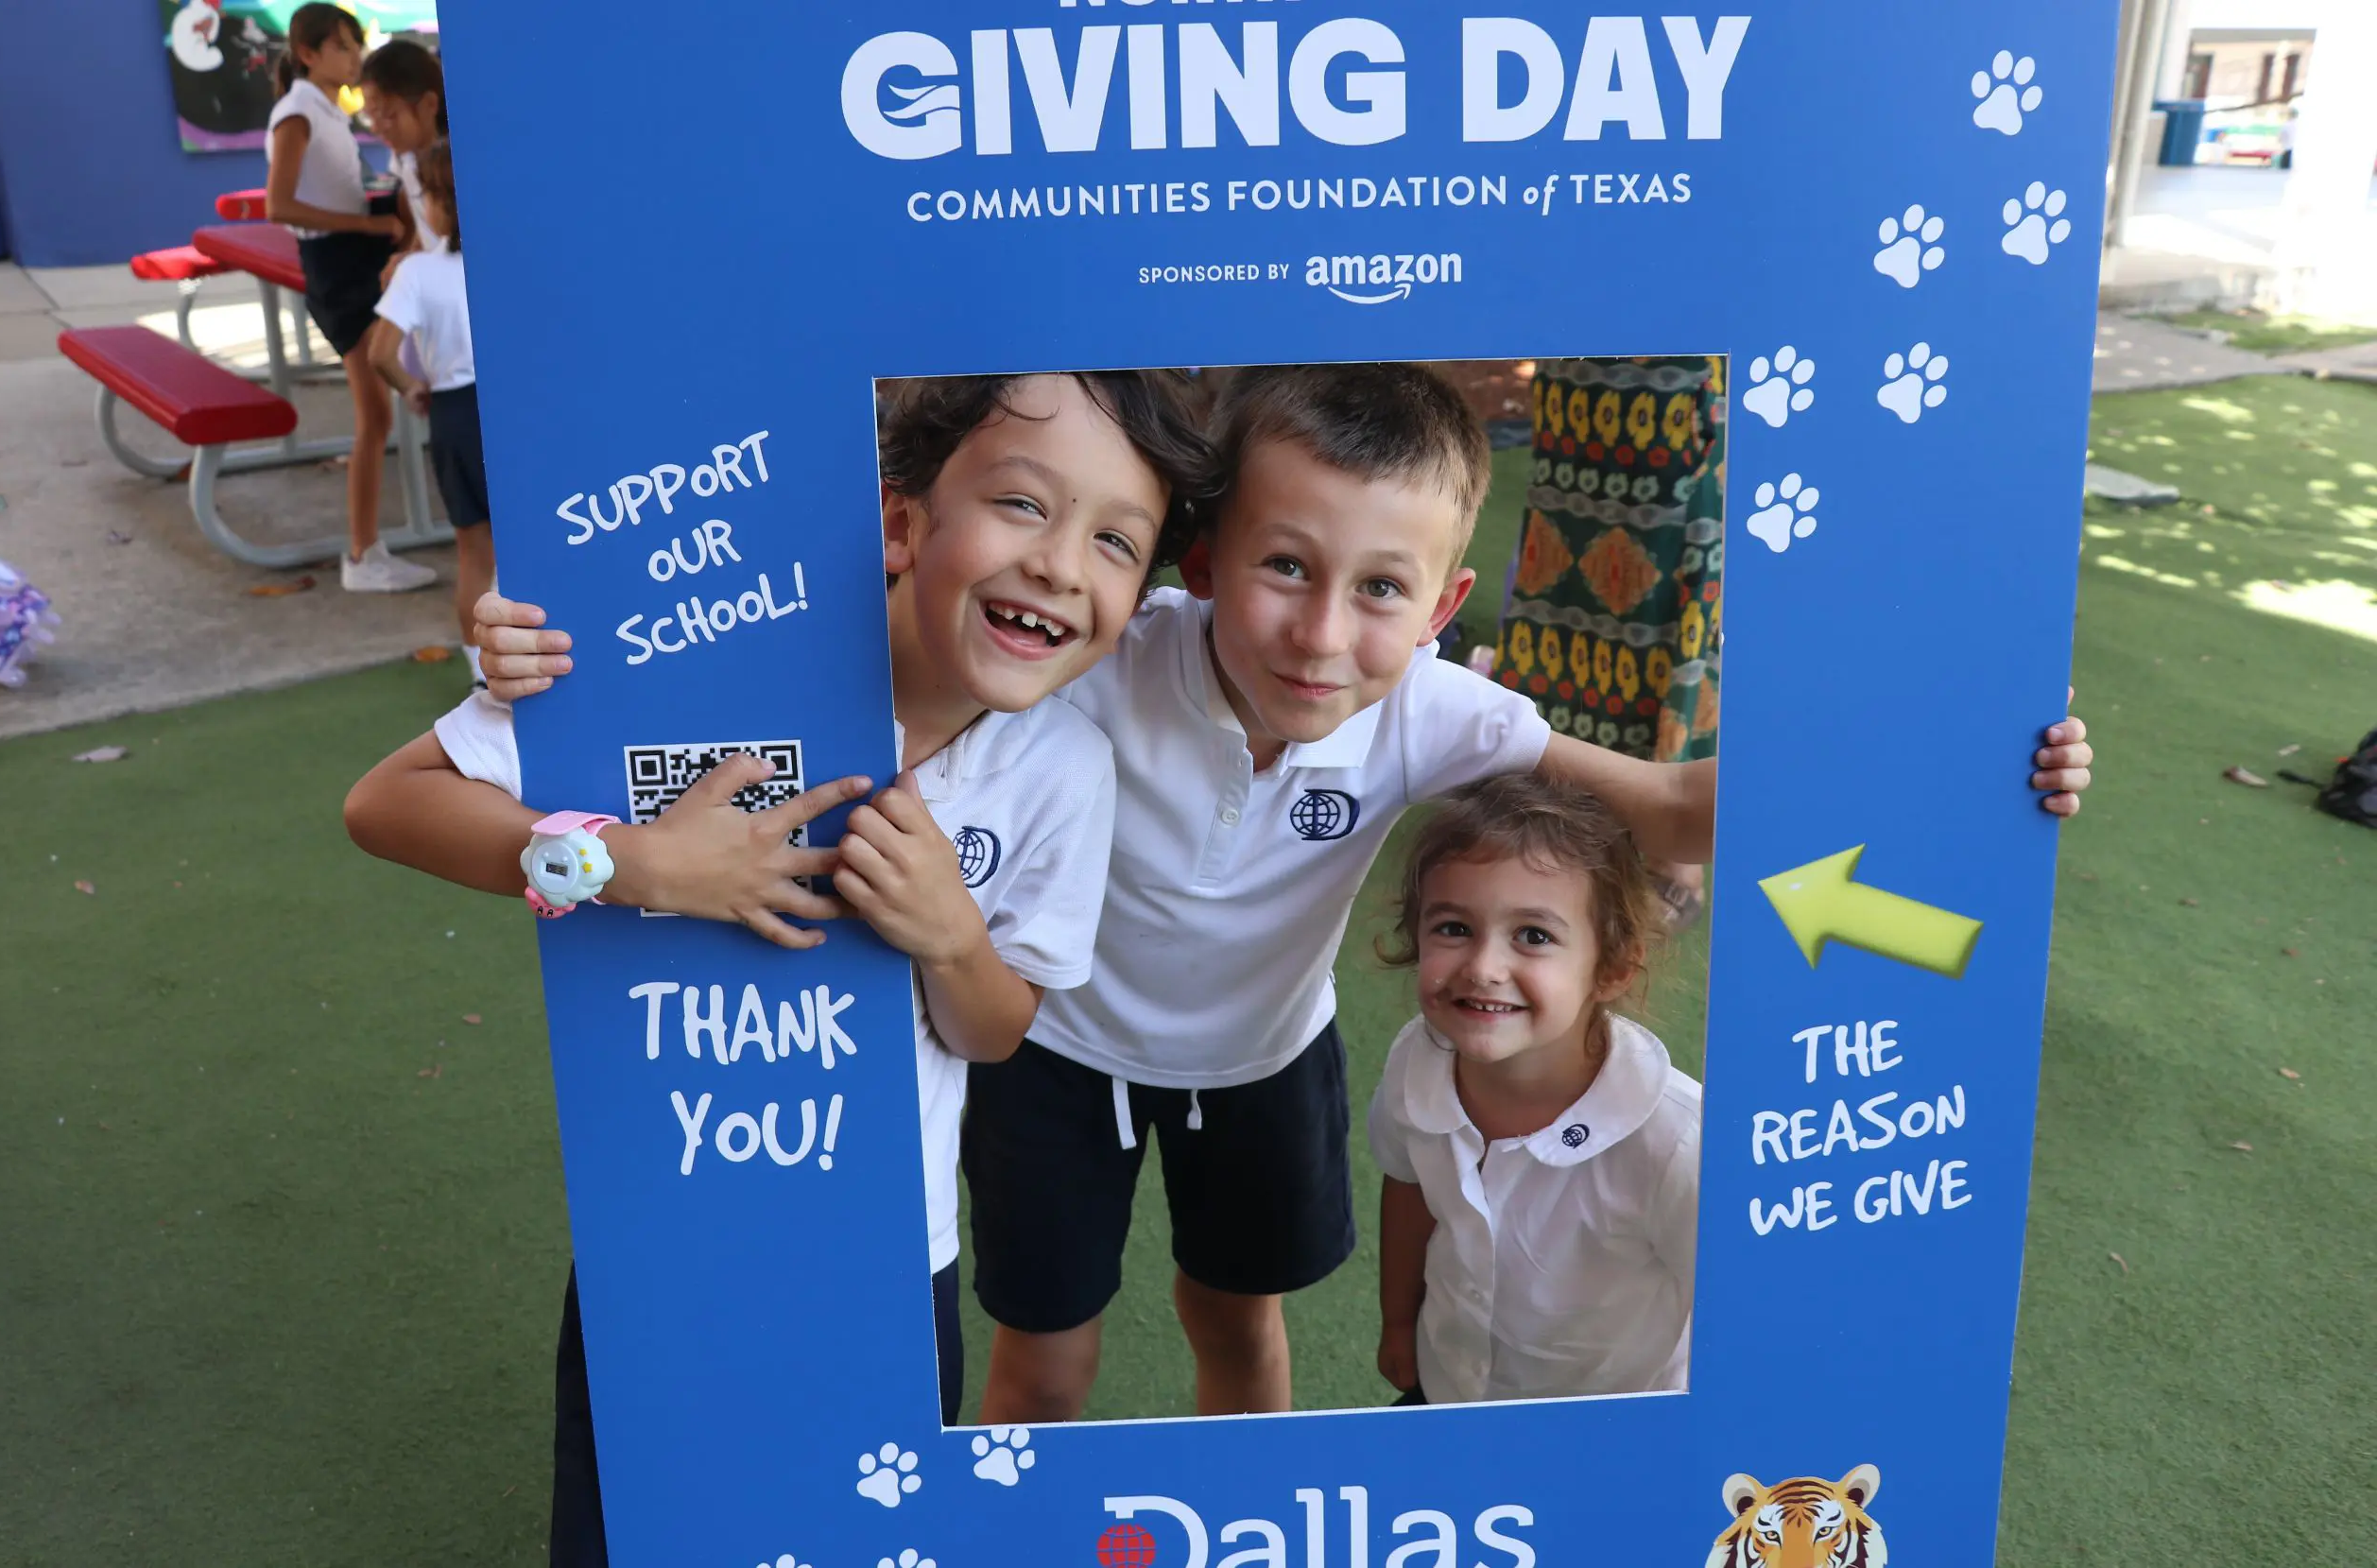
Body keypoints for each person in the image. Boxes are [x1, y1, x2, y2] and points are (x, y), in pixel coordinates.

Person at [474, 363, 2094, 1424]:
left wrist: (1965, 772)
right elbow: (890, 571)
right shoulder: (1104, 648)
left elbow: (1675, 810)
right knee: (1043, 1344)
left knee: (1243, 1336)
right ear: (1194, 562)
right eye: (1283, 565)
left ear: (1443, 603)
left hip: (1262, 1064)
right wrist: (553, 636)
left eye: (1383, 589)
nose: (1324, 632)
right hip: (1051, 1057)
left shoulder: (1435, 706)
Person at [345, 369, 1214, 1565]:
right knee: (628, 1529)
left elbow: (996, 1031)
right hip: (664, 1232)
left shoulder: (1059, 769)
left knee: (858, 1531)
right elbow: (389, 804)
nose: (1063, 563)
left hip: (888, 1257)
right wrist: (638, 867)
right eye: (1023, 504)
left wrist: (949, 934)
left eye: (1116, 540)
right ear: (902, 521)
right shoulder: (702, 674)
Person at [1370, 773, 1695, 1406]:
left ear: (1612, 968)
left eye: (1534, 935)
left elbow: (1739, 1319)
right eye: (1453, 928)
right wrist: (1399, 1322)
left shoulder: (1678, 1140)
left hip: (1608, 1445)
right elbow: (1408, 1181)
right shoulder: (1419, 1058)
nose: (1484, 967)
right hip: (1448, 1393)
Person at [1497, 356, 1728, 927]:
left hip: (1672, 376)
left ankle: (1676, 861)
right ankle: (1557, 817)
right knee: (1560, 576)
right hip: (1580, 377)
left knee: (1668, 590)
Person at [265, 3, 435, 594]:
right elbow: (279, 206)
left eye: (356, 45)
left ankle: (368, 551)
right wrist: (370, 228)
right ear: (308, 53)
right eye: (341, 46)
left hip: (357, 262)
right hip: (339, 269)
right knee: (375, 416)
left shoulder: (331, 111)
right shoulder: (297, 113)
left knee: (380, 413)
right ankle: (363, 554)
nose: (353, 57)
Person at [368, 141, 493, 680]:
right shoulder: (513, 261)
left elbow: (380, 353)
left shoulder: (417, 271)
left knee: (475, 553)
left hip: (455, 413)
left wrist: (413, 388)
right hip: (513, 411)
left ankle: (482, 672)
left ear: (441, 201)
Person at [356, 38, 448, 267]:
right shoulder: (404, 156)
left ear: (429, 104)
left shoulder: (451, 168)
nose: (376, 128)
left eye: (388, 115)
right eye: (370, 116)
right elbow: (424, 224)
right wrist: (412, 253)